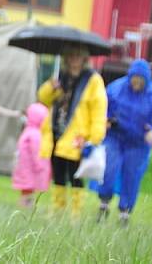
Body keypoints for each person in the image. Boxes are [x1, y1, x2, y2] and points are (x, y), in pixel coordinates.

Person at [96, 59, 152, 226]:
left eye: (140, 80)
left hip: (139, 143)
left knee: (132, 176)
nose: (136, 82)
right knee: (108, 169)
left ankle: (125, 213)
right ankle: (104, 204)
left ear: (147, 80)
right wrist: (106, 119)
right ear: (129, 77)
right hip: (115, 137)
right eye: (134, 79)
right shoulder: (116, 88)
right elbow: (102, 106)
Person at [38, 44, 107, 216]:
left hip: (78, 136)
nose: (74, 59)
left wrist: (94, 138)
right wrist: (50, 88)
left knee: (76, 175)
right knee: (59, 174)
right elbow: (43, 99)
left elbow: (99, 110)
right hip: (57, 132)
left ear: (84, 58)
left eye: (78, 55)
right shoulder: (59, 76)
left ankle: (76, 213)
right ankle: (57, 209)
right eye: (71, 55)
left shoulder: (93, 80)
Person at [11, 102, 51, 207]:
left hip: (24, 167)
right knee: (28, 191)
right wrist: (40, 165)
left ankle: (25, 205)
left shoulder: (27, 130)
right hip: (31, 169)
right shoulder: (36, 134)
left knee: (26, 190)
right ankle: (26, 207)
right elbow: (36, 152)